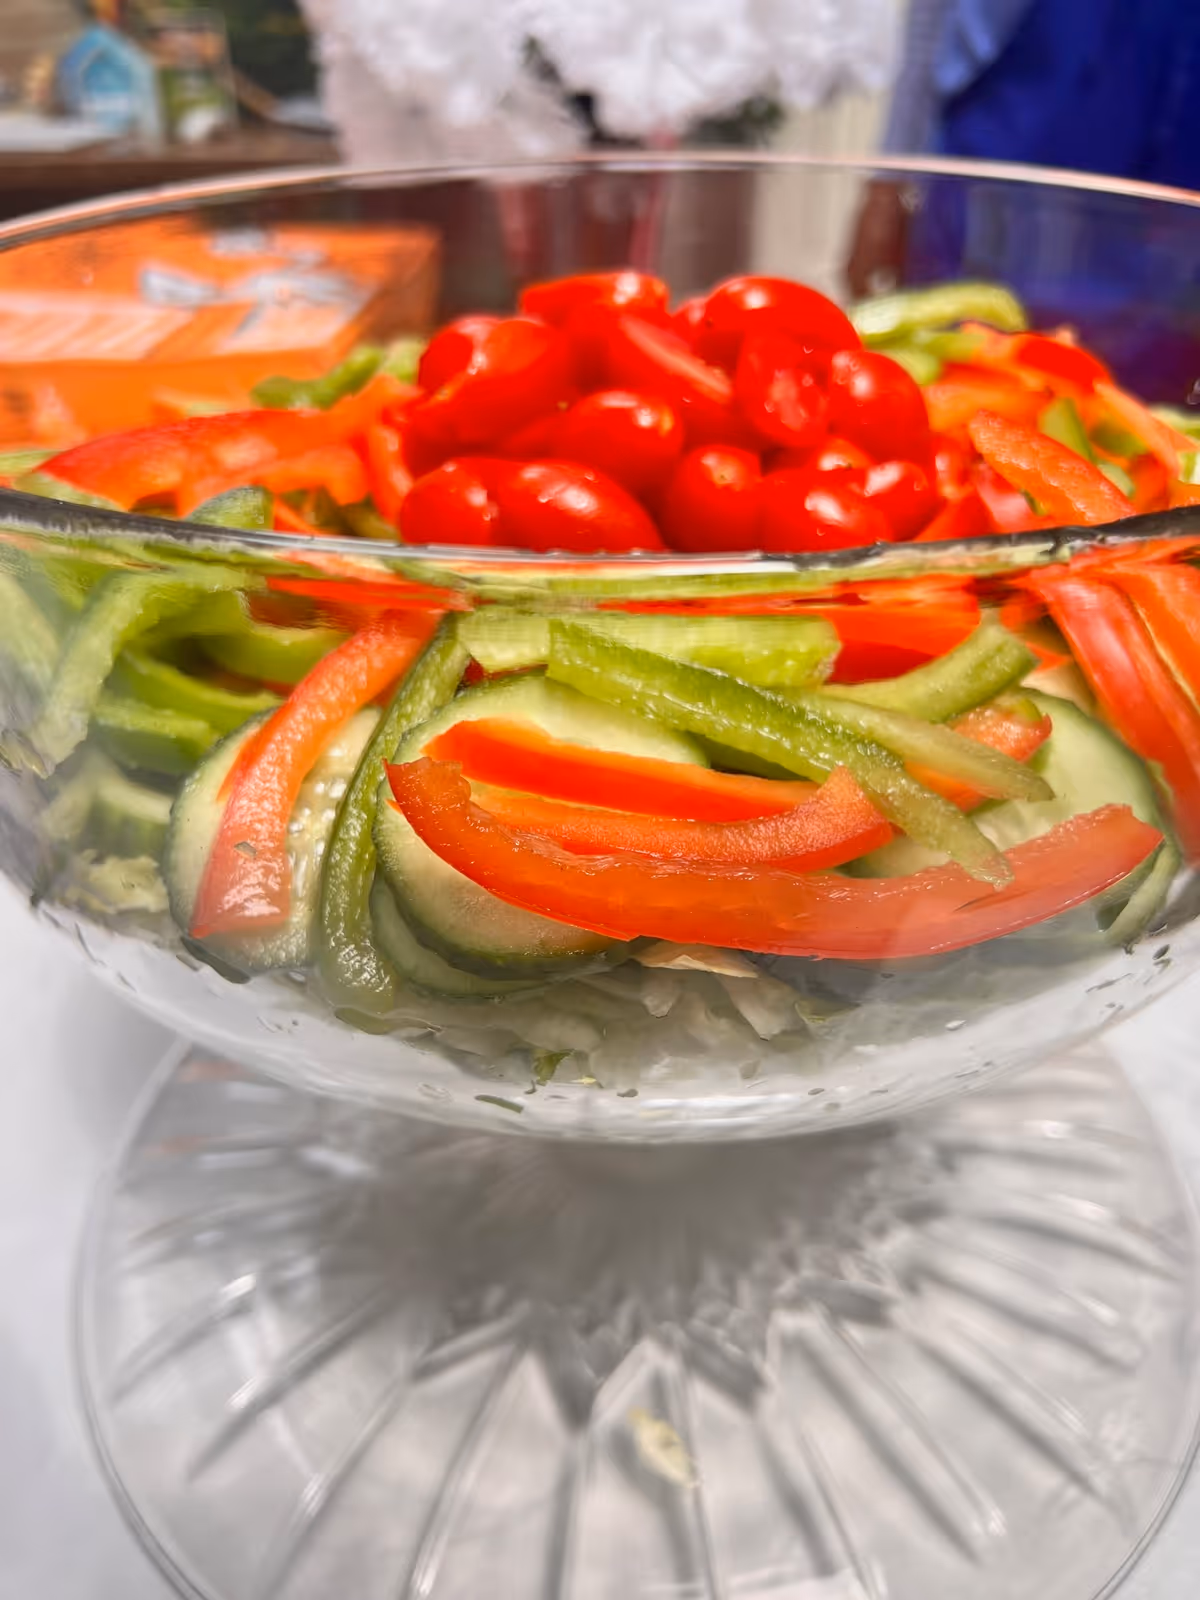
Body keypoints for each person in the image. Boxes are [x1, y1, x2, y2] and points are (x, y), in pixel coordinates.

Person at [845, 0, 1200, 398]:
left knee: (1152, 408)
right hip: (1015, 112)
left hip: (1180, 133)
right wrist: (890, 179)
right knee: (966, 381)